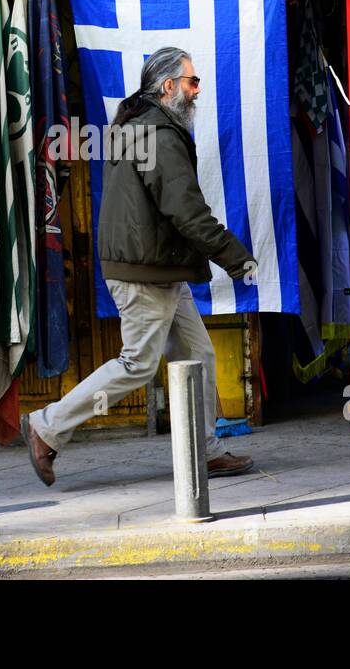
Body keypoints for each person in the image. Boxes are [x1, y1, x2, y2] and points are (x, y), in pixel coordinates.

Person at [22, 47, 257, 486]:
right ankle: (47, 426)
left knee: (197, 354)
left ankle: (203, 450)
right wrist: (236, 257)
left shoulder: (137, 127)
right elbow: (186, 211)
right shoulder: (159, 135)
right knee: (138, 364)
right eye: (191, 81)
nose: (197, 90)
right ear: (168, 87)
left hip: (158, 266)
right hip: (146, 270)